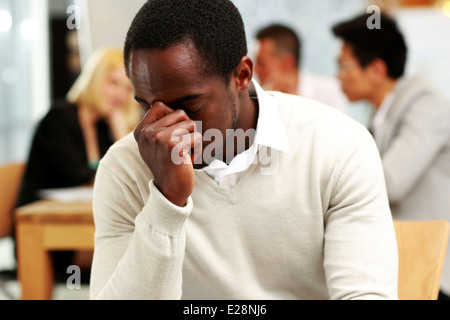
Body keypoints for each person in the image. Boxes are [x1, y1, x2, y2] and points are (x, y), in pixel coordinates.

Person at [89, 0, 398, 300]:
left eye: (189, 106)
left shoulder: (337, 147)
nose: (163, 130)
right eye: (146, 105)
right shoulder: (124, 168)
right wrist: (167, 201)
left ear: (242, 75)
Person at [332, 12, 450, 299]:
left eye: (344, 66)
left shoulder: (425, 105)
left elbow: (391, 182)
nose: (338, 75)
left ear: (376, 69)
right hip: (401, 264)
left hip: (432, 272)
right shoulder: (382, 113)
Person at [17, 47, 140, 207]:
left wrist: (119, 130)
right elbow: (76, 175)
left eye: (128, 89)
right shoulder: (58, 118)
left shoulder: (102, 127)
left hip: (77, 211)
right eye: (113, 83)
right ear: (95, 79)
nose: (121, 95)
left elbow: (129, 174)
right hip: (38, 216)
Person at [254, 24, 348, 112]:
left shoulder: (331, 92)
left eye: (261, 64)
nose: (255, 69)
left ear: (287, 63)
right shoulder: (257, 97)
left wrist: (298, 104)